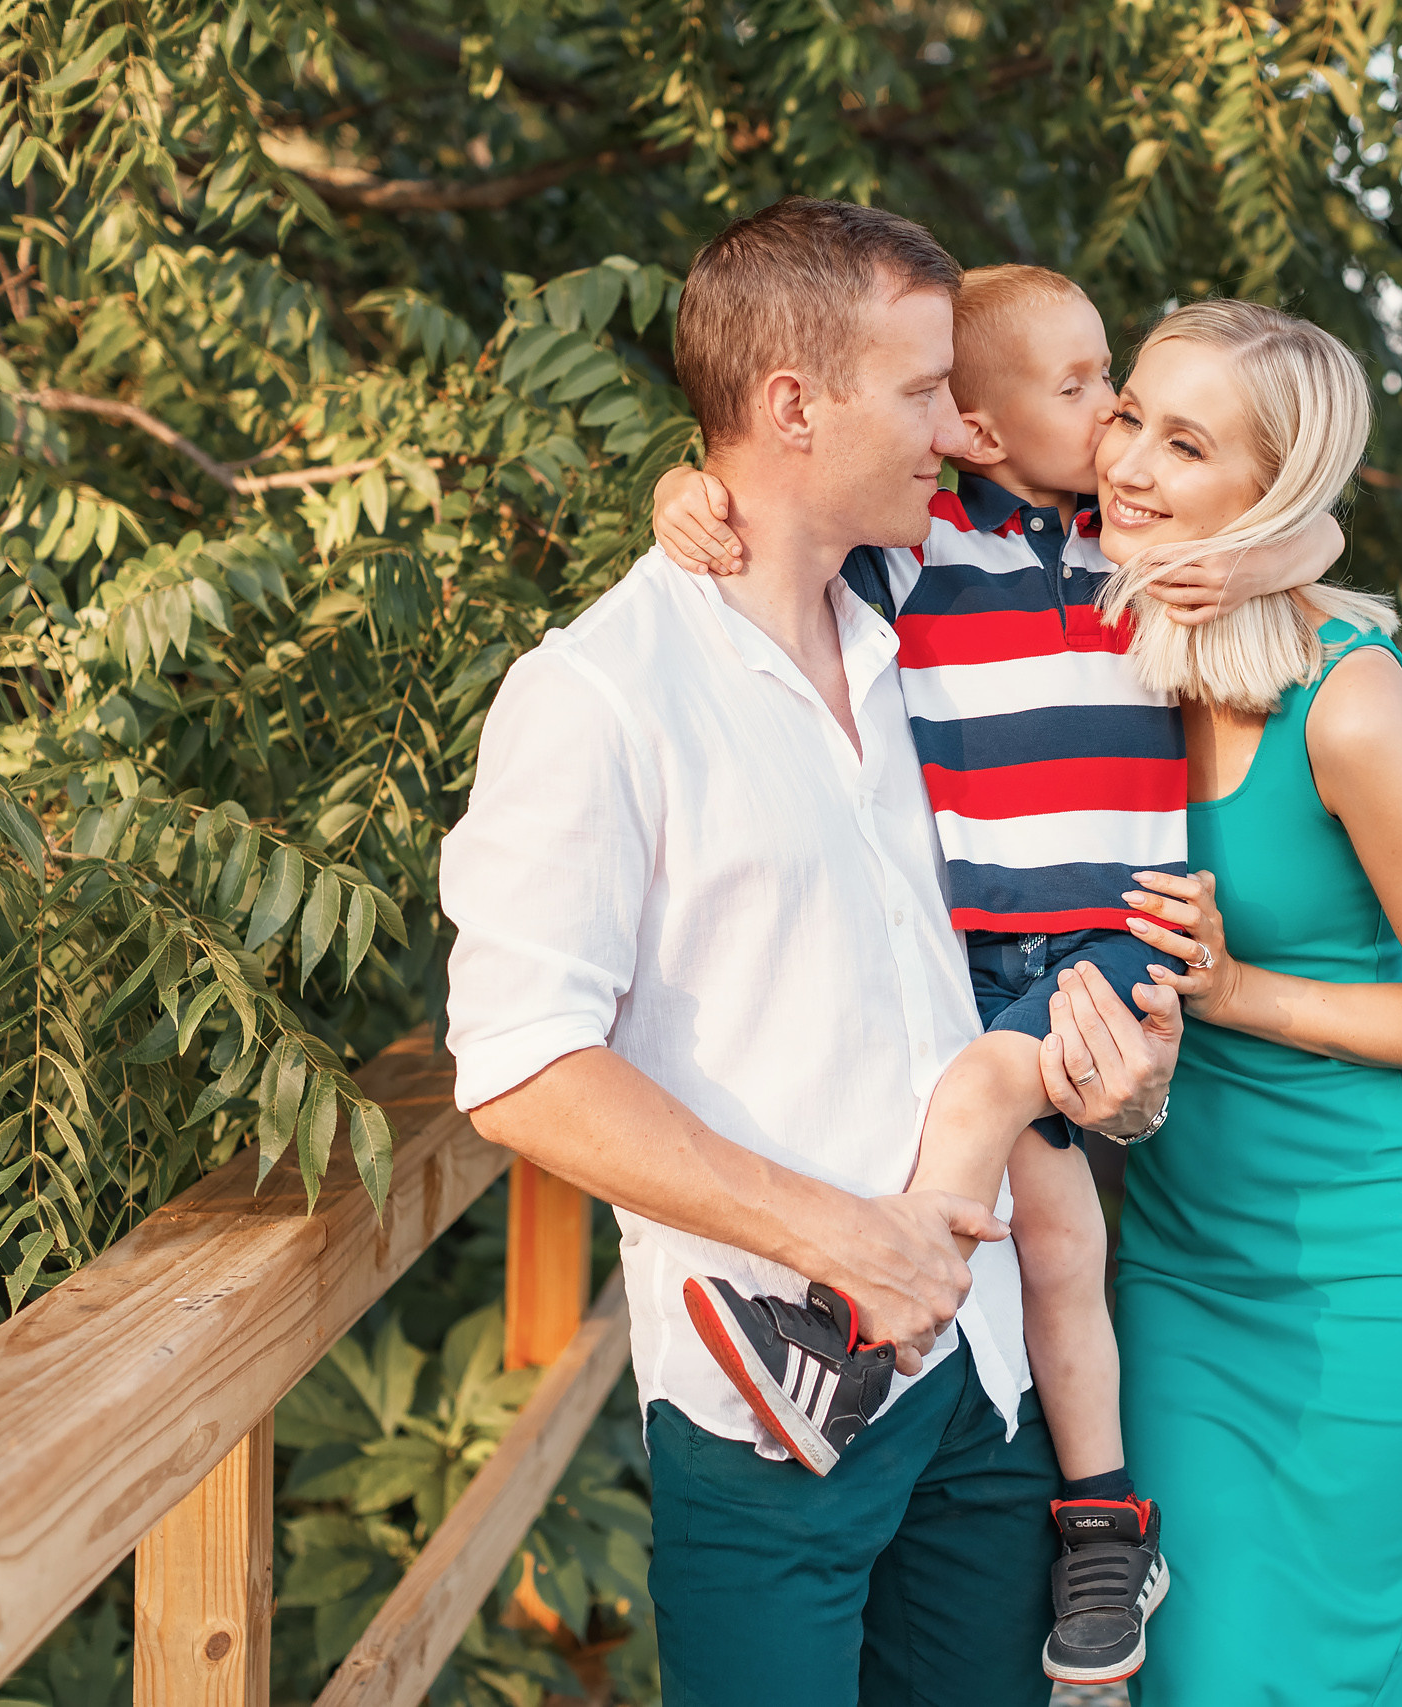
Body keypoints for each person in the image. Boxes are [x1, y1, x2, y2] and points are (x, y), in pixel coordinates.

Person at [438, 200, 1180, 1707]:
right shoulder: (596, 697)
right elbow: (518, 1070)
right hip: (775, 1423)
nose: (950, 426)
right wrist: (831, 1236)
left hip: (985, 1379)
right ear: (791, 406)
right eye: (918, 394)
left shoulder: (932, 647)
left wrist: (1124, 1091)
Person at [652, 263, 1340, 1685]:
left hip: (1117, 938)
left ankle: (844, 1340)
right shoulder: (921, 547)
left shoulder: (1135, 555)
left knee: (986, 1116)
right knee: (1056, 1236)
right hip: (978, 944)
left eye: (1121, 389)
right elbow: (788, 510)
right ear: (970, 420)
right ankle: (1099, 1515)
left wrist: (1273, 557)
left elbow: (1310, 513)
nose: (1115, 424)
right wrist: (682, 497)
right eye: (1085, 390)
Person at [1094, 300, 1402, 1705]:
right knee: (1187, 1680)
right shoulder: (1103, 653)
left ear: (1272, 492)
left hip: (1364, 1290)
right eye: (1128, 418)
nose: (1129, 464)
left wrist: (1236, 993)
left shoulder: (1347, 709)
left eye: (1185, 442)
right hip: (1173, 1275)